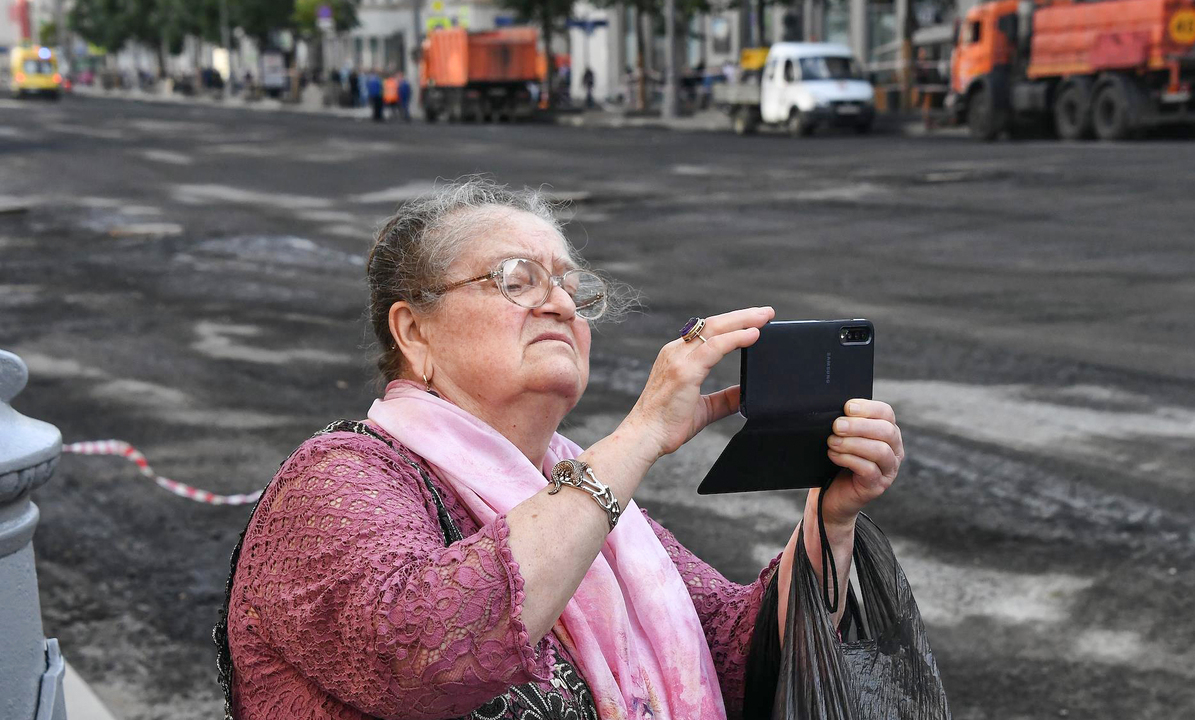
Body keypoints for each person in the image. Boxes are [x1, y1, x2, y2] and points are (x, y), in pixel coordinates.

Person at [219, 178, 905, 720]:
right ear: (414, 331)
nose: (560, 305)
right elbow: (425, 651)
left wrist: (830, 518)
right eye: (517, 279)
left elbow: (734, 652)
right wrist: (638, 437)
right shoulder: (337, 477)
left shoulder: (569, 488)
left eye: (572, 288)